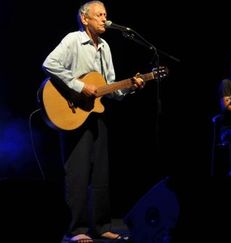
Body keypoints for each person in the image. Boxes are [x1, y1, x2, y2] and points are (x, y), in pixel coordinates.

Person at [41, 1, 144, 242]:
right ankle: (75, 229)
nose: (104, 18)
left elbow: (110, 87)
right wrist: (79, 85)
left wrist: (130, 86)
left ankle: (101, 225)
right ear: (84, 18)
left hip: (96, 113)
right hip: (71, 112)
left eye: (105, 15)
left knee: (100, 172)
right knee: (77, 172)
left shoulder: (105, 46)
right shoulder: (72, 40)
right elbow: (49, 64)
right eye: (98, 15)